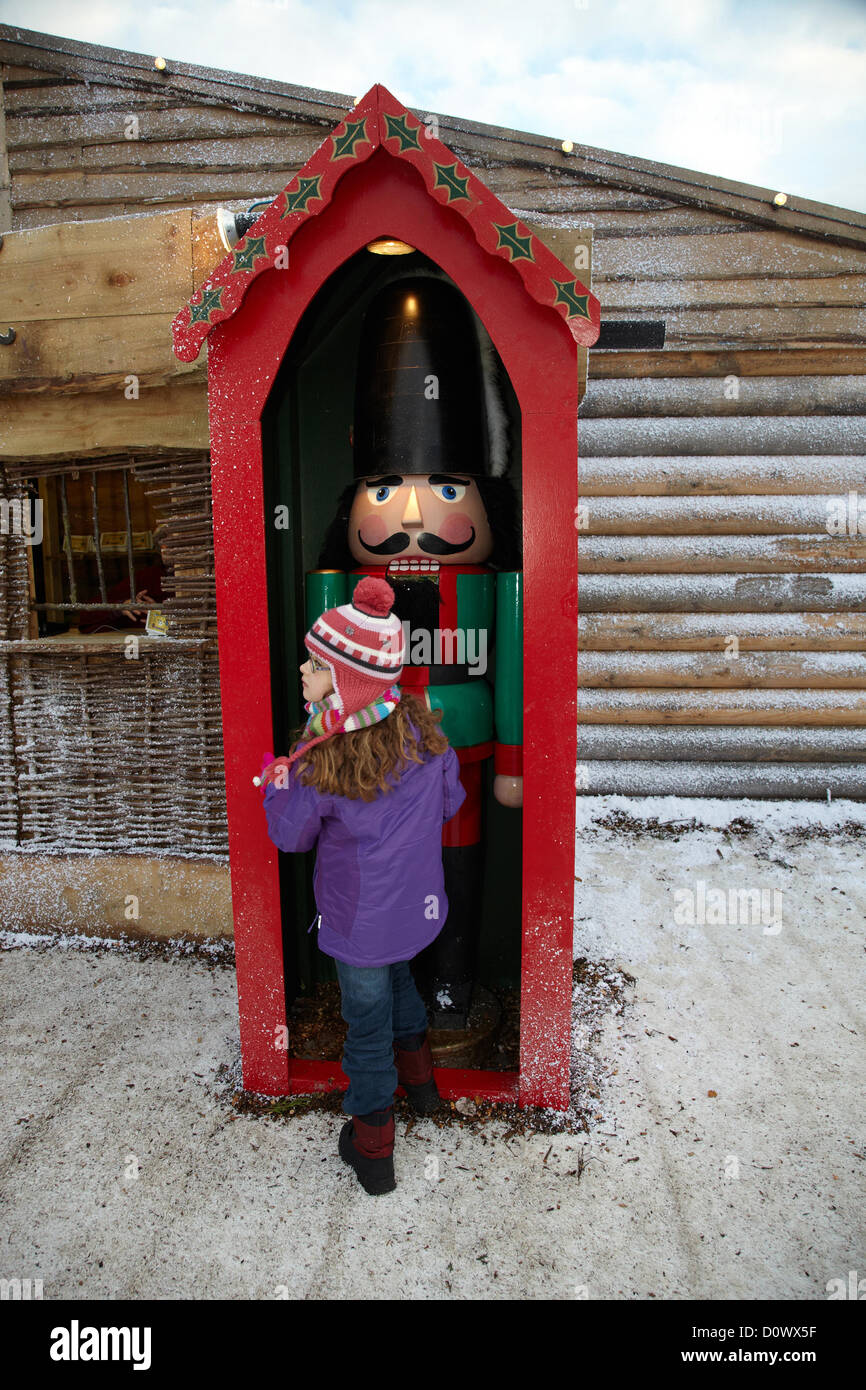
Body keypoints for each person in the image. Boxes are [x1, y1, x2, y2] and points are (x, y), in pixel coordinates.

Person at [258, 575, 466, 1196]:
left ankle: (372, 1145)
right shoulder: (427, 737)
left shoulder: (320, 760)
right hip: (415, 909)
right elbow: (449, 803)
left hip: (357, 921)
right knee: (397, 972)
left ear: (347, 682)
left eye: (315, 665)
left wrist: (278, 784)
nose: (302, 670)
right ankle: (423, 1084)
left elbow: (291, 839)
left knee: (366, 1025)